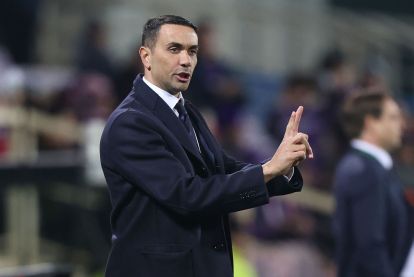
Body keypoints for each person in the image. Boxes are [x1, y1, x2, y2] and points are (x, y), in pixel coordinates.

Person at [100, 15, 313, 277]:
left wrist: (283, 166)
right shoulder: (130, 123)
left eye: (192, 51)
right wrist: (268, 170)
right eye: (174, 49)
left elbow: (224, 169)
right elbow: (187, 196)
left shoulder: (186, 110)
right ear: (146, 56)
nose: (186, 60)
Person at [333, 91, 412, 276]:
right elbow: (369, 244)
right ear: (370, 123)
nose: (402, 124)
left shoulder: (376, 168)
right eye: (393, 117)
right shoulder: (364, 170)